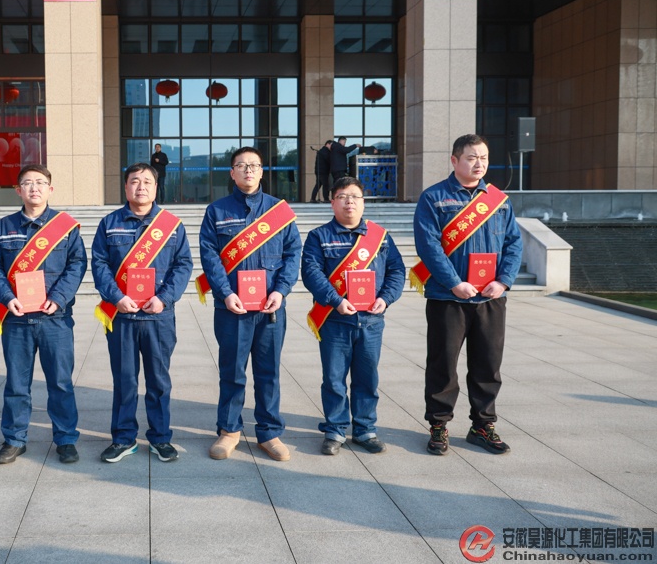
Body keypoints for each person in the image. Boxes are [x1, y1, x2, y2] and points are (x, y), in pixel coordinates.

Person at [411, 134, 523, 456]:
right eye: (472, 158)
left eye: (484, 158)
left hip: (490, 298)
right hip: (448, 298)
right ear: (455, 160)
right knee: (443, 365)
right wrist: (454, 283)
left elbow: (513, 243)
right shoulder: (434, 198)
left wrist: (503, 282)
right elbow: (429, 246)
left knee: (488, 364)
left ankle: (482, 425)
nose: (479, 164)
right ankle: (438, 425)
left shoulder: (499, 201)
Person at [198, 147, 302, 462]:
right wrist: (225, 292)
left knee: (268, 373)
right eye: (241, 165)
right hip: (232, 308)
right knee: (232, 372)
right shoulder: (216, 211)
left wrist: (281, 291)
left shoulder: (279, 211)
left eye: (254, 165)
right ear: (232, 173)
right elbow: (209, 256)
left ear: (261, 171)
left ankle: (269, 432)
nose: (248, 170)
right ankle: (229, 430)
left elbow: (293, 253)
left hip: (270, 309)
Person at [0, 165, 86, 465]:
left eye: (40, 182)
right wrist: (7, 298)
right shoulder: (4, 227)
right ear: (18, 190)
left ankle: (66, 439)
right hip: (17, 319)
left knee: (61, 382)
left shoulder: (65, 227)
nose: (34, 188)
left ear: (50, 189)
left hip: (55, 318)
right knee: (17, 384)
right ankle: (15, 439)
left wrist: (59, 297)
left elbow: (77, 264)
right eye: (27, 183)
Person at [91, 163, 193, 463]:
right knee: (124, 380)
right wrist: (117, 297)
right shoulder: (109, 223)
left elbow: (183, 265)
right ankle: (123, 439)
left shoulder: (171, 225)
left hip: (158, 316)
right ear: (126, 187)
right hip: (122, 315)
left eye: (147, 181)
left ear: (156, 187)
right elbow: (99, 264)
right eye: (135, 181)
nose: (141, 187)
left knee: (159, 381)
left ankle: (160, 438)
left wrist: (164, 298)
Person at [302, 177, 405, 455]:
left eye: (355, 196)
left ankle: (364, 429)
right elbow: (311, 273)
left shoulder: (380, 237)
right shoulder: (318, 237)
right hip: (335, 320)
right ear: (332, 202)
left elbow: (397, 270)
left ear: (363, 202)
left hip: (371, 320)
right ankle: (335, 429)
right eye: (342, 196)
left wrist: (386, 298)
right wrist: (336, 301)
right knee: (334, 379)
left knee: (367, 377)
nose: (349, 202)